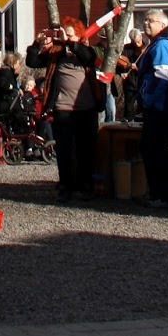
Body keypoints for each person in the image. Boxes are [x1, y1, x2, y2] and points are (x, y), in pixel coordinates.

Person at [42, 20, 99, 202]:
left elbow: (89, 58)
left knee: (85, 150)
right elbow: (33, 61)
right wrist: (37, 43)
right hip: (62, 108)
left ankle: (86, 185)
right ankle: (65, 187)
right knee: (64, 151)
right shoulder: (56, 53)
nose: (65, 37)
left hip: (85, 108)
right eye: (64, 33)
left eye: (70, 34)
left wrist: (70, 43)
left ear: (79, 36)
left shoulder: (86, 51)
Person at [136, 9, 168, 206]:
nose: (146, 23)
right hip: (154, 106)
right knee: (151, 148)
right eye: (145, 20)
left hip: (159, 107)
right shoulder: (154, 44)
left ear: (162, 25)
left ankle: (163, 194)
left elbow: (162, 76)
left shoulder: (162, 45)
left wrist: (150, 100)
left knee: (156, 149)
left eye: (151, 21)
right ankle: (157, 192)